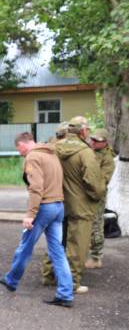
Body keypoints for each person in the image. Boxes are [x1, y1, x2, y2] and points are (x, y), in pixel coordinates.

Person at [0, 132, 74, 307]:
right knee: (58, 251)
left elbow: (36, 188)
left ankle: (11, 280)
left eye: (18, 148)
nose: (19, 152)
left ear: (23, 144)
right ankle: (66, 294)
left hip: (44, 208)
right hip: (58, 206)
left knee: (25, 247)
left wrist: (30, 215)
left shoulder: (33, 157)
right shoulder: (51, 154)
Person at [41, 116, 105, 294]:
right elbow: (93, 182)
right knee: (77, 245)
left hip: (56, 202)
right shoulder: (86, 152)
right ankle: (73, 282)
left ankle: (49, 275)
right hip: (80, 206)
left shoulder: (54, 148)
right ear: (83, 131)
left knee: (56, 241)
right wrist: (96, 196)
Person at [86, 128, 116, 269]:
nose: (93, 142)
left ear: (105, 142)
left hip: (97, 195)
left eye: (97, 141)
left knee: (96, 225)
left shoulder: (108, 159)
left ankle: (96, 257)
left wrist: (91, 191)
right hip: (84, 194)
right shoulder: (89, 151)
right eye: (92, 139)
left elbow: (102, 181)